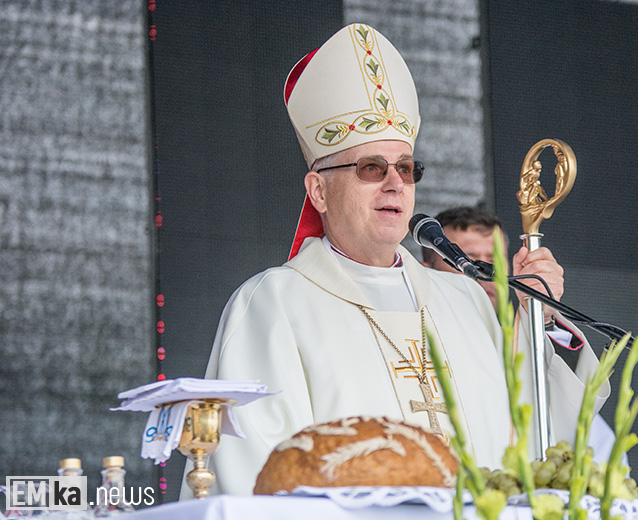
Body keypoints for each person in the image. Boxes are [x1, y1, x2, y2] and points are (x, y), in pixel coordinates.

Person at [183, 23, 608, 498]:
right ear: (318, 191)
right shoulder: (272, 305)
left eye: (406, 168)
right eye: (371, 168)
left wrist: (539, 318)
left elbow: (542, 440)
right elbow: (255, 477)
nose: (395, 184)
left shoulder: (464, 299)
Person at [421, 206, 618, 465]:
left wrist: (544, 318)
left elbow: (565, 415)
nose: (482, 271)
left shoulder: (521, 339)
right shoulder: (412, 338)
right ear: (426, 269)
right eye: (466, 260)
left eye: (494, 260)